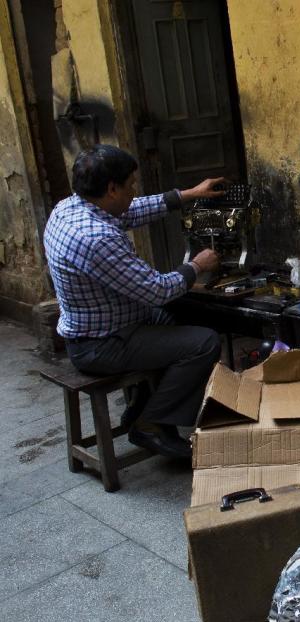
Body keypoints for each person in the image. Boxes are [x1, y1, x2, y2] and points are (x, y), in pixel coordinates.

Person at [44, 144, 227, 459]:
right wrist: (197, 265)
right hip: (102, 345)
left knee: (177, 317)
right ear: (112, 188)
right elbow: (156, 290)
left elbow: (131, 210)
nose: (134, 191)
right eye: (130, 186)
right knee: (204, 343)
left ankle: (142, 404)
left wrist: (189, 194)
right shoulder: (96, 238)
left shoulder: (71, 207)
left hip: (103, 326)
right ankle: (152, 423)